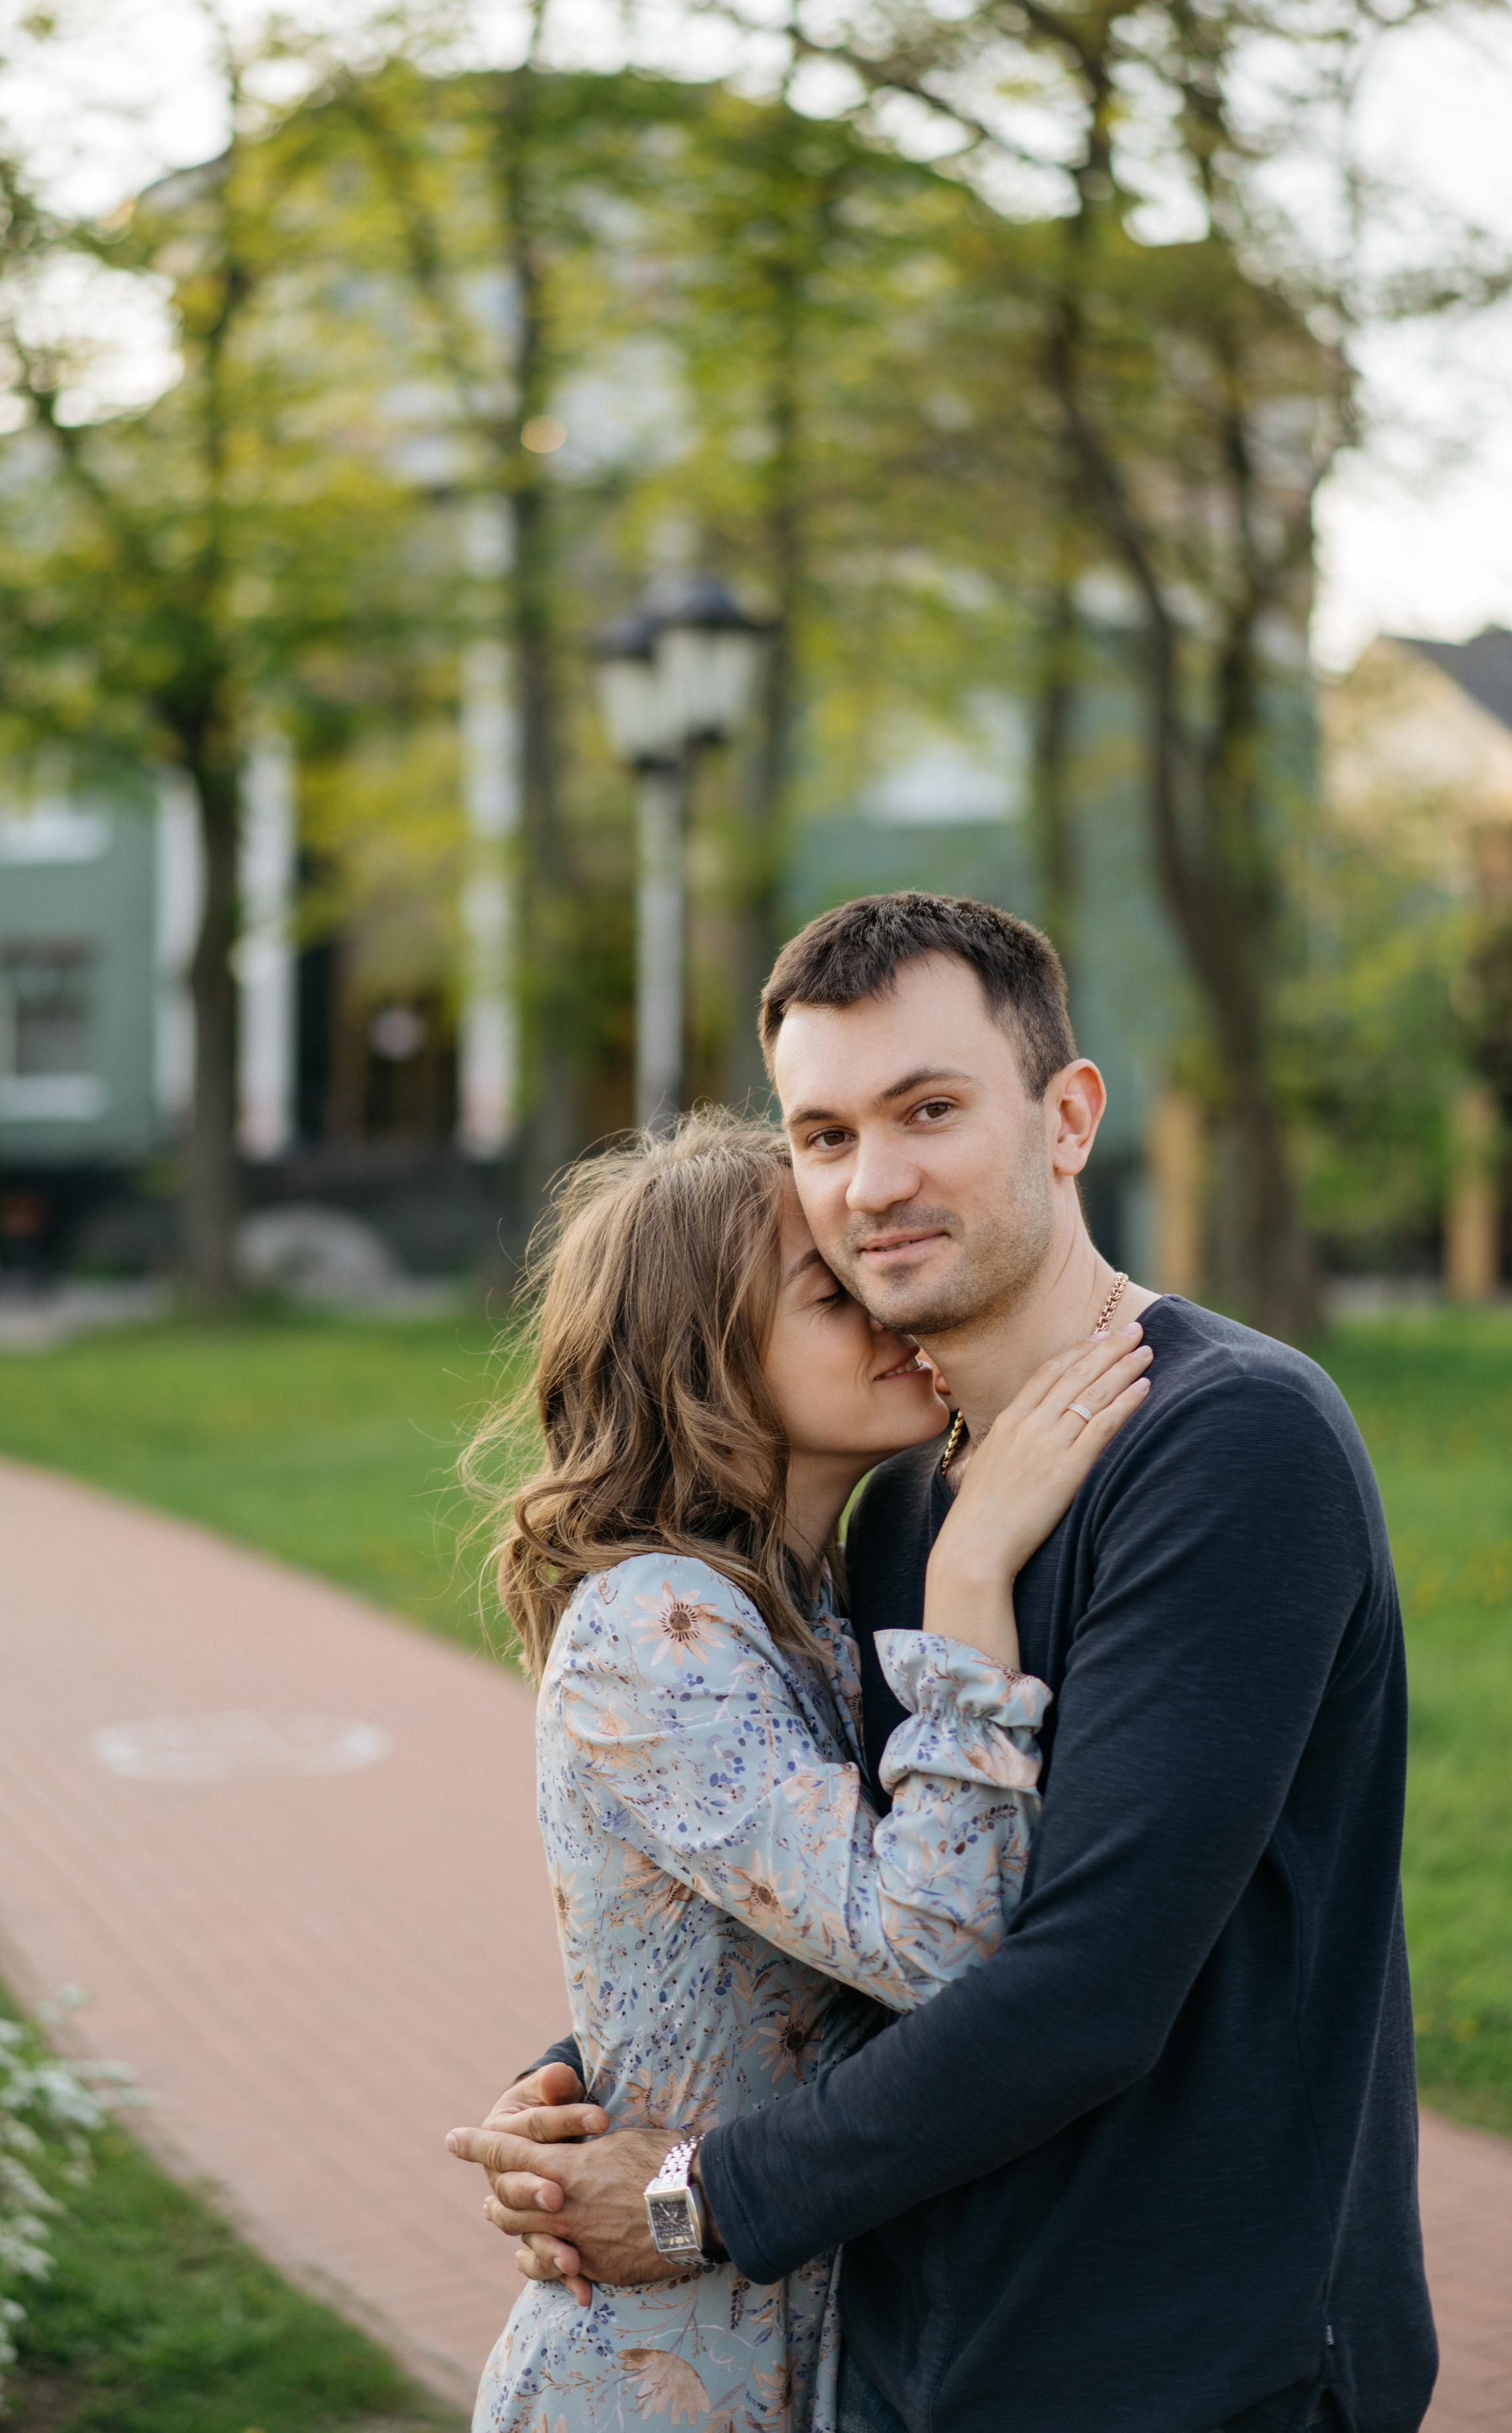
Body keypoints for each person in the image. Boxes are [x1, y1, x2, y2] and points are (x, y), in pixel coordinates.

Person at [449, 894, 1436, 2433]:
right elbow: (857, 1899)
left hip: (1179, 2358)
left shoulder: (1228, 1442)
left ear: (1065, 1115)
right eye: (824, 1133)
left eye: (927, 1109)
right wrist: (588, 2083)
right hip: (908, 2346)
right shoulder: (901, 1494)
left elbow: (1082, 1983)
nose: (874, 1181)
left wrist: (680, 2193)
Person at [458, 1106, 1152, 2433]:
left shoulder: (802, 1600)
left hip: (810, 2346)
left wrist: (576, 2067)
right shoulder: (651, 1630)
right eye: (831, 1290)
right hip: (655, 2379)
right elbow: (939, 1944)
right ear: (701, 1360)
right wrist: (967, 1581)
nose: (891, 1306)